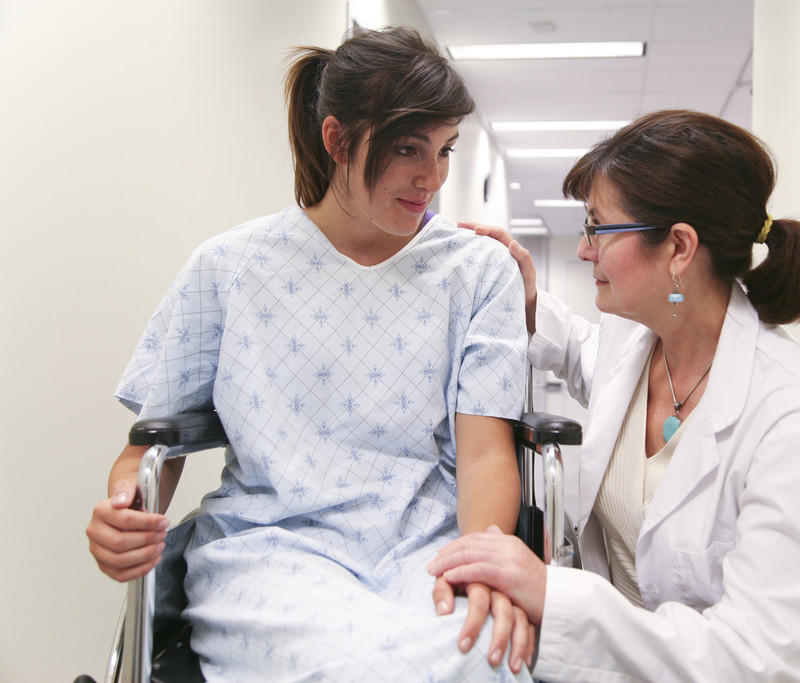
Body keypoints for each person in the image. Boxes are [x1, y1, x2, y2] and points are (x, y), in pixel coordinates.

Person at [86, 26, 535, 680]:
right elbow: (150, 445)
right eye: (410, 149)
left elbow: (487, 452)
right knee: (352, 667)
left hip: (424, 548)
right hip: (271, 548)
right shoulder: (231, 269)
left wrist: (486, 563)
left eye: (444, 150)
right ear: (337, 139)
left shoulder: (478, 272)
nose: (431, 178)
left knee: (485, 657)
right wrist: (125, 511)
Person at [428, 110, 800, 681]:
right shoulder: (642, 340)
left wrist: (556, 597)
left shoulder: (793, 417)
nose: (584, 251)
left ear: (679, 247)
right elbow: (589, 355)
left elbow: (770, 660)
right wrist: (524, 301)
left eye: (597, 228)